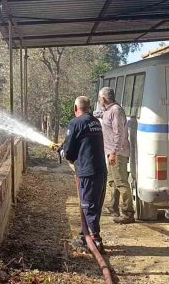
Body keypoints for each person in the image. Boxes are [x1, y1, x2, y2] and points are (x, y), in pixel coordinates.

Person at [59, 96, 107, 252]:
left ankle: (95, 240)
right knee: (95, 204)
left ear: (75, 108)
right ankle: (86, 235)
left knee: (87, 205)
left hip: (87, 171)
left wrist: (62, 152)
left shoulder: (75, 123)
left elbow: (69, 152)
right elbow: (84, 142)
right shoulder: (95, 122)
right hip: (100, 169)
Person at [98, 87, 134, 224]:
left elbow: (119, 133)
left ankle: (128, 213)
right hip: (111, 152)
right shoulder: (108, 111)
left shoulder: (116, 111)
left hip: (117, 153)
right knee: (113, 181)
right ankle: (113, 207)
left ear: (103, 99)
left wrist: (114, 152)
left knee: (121, 183)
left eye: (99, 98)